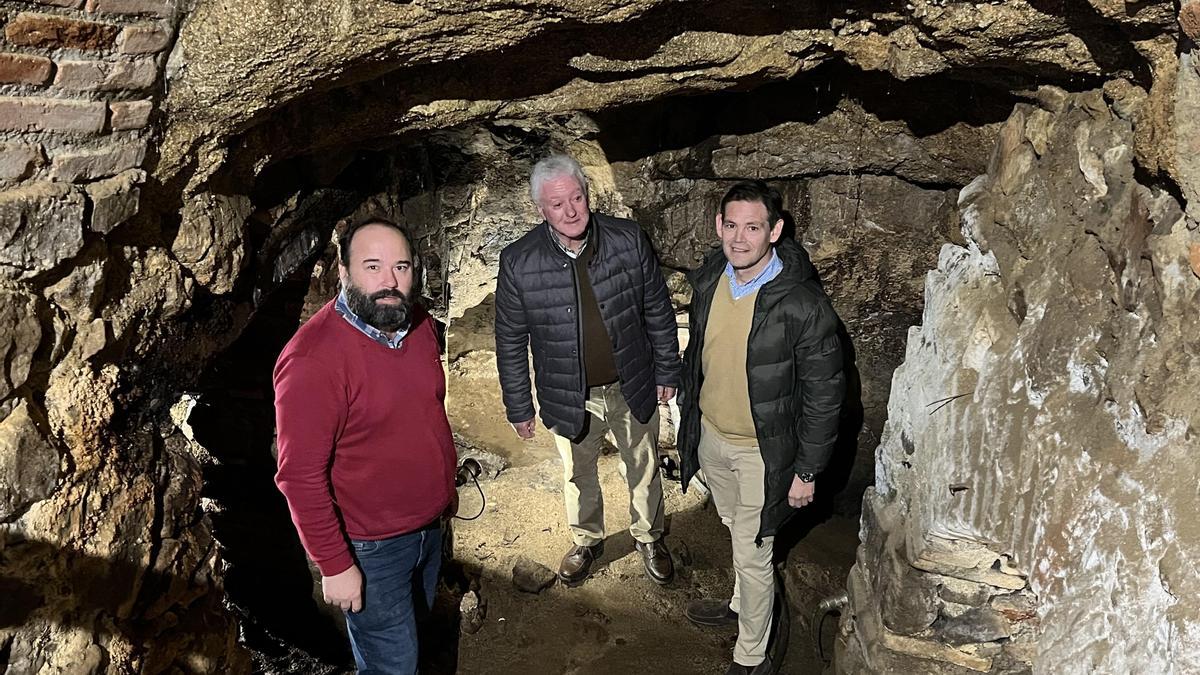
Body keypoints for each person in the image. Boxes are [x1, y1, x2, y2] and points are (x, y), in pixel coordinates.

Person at [273, 217, 456, 674]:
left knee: (415, 633)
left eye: (401, 266)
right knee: (390, 665)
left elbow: (424, 413)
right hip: (372, 548)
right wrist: (335, 565)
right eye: (373, 266)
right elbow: (299, 476)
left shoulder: (418, 325)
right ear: (344, 270)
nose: (390, 281)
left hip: (429, 530)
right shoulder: (314, 361)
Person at [677, 181, 845, 675]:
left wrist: (807, 471)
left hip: (762, 452)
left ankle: (752, 658)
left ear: (775, 231)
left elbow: (824, 394)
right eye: (731, 225)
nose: (739, 238)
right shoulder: (711, 278)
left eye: (753, 227)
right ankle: (741, 605)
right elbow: (701, 356)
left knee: (755, 552)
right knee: (735, 529)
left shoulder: (802, 305)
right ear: (718, 226)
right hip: (713, 436)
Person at [494, 153, 681, 586]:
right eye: (558, 205)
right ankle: (587, 539)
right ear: (540, 210)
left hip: (630, 380)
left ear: (587, 194)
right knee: (578, 473)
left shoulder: (628, 240)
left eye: (577, 197)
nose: (571, 210)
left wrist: (667, 370)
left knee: (644, 466)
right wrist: (519, 406)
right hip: (568, 391)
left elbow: (657, 308)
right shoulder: (519, 261)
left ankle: (649, 536)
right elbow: (509, 339)